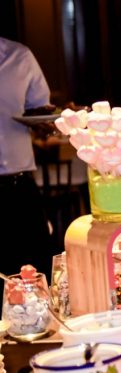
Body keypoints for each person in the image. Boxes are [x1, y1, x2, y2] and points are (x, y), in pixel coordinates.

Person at [0, 36, 56, 276]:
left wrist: (43, 123)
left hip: (19, 184)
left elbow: (40, 109)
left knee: (36, 270)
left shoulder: (19, 56)